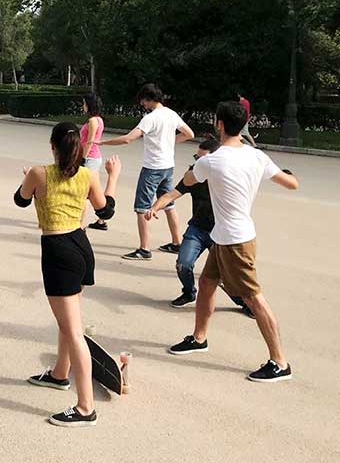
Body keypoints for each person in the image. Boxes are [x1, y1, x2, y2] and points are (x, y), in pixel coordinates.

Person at [168, 101, 299, 383]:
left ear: (219, 125)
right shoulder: (256, 156)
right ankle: (199, 338)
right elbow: (292, 184)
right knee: (205, 283)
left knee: (254, 299)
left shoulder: (211, 161)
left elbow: (186, 181)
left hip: (235, 242)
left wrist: (161, 202)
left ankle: (280, 362)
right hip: (225, 237)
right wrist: (288, 174)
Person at [16, 123, 121, 427]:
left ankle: (85, 407)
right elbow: (106, 211)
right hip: (81, 246)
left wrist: (28, 179)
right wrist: (113, 178)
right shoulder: (88, 175)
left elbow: (20, 200)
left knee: (74, 330)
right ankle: (60, 374)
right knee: (68, 320)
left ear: (53, 146)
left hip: (58, 250)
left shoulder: (38, 173)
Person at [146, 138, 254, 315]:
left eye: (202, 160)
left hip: (221, 233)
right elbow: (172, 194)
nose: (198, 163)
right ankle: (189, 293)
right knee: (183, 264)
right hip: (197, 229)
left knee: (226, 276)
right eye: (197, 157)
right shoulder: (192, 176)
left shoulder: (227, 176)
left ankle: (246, 303)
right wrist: (155, 207)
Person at [97, 83, 194, 260]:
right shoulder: (171, 114)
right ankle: (176, 243)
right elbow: (189, 134)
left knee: (141, 207)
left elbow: (128, 139)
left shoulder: (150, 118)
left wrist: (103, 143)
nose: (142, 104)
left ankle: (144, 249)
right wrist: (169, 143)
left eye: (143, 100)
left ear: (149, 99)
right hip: (167, 166)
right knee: (168, 203)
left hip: (152, 168)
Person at [80, 93, 108, 231]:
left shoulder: (92, 121)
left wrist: (82, 158)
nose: (83, 106)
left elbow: (90, 141)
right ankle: (102, 219)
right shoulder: (98, 119)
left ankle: (80, 225)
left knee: (83, 192)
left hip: (90, 157)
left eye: (84, 103)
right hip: (94, 157)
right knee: (94, 189)